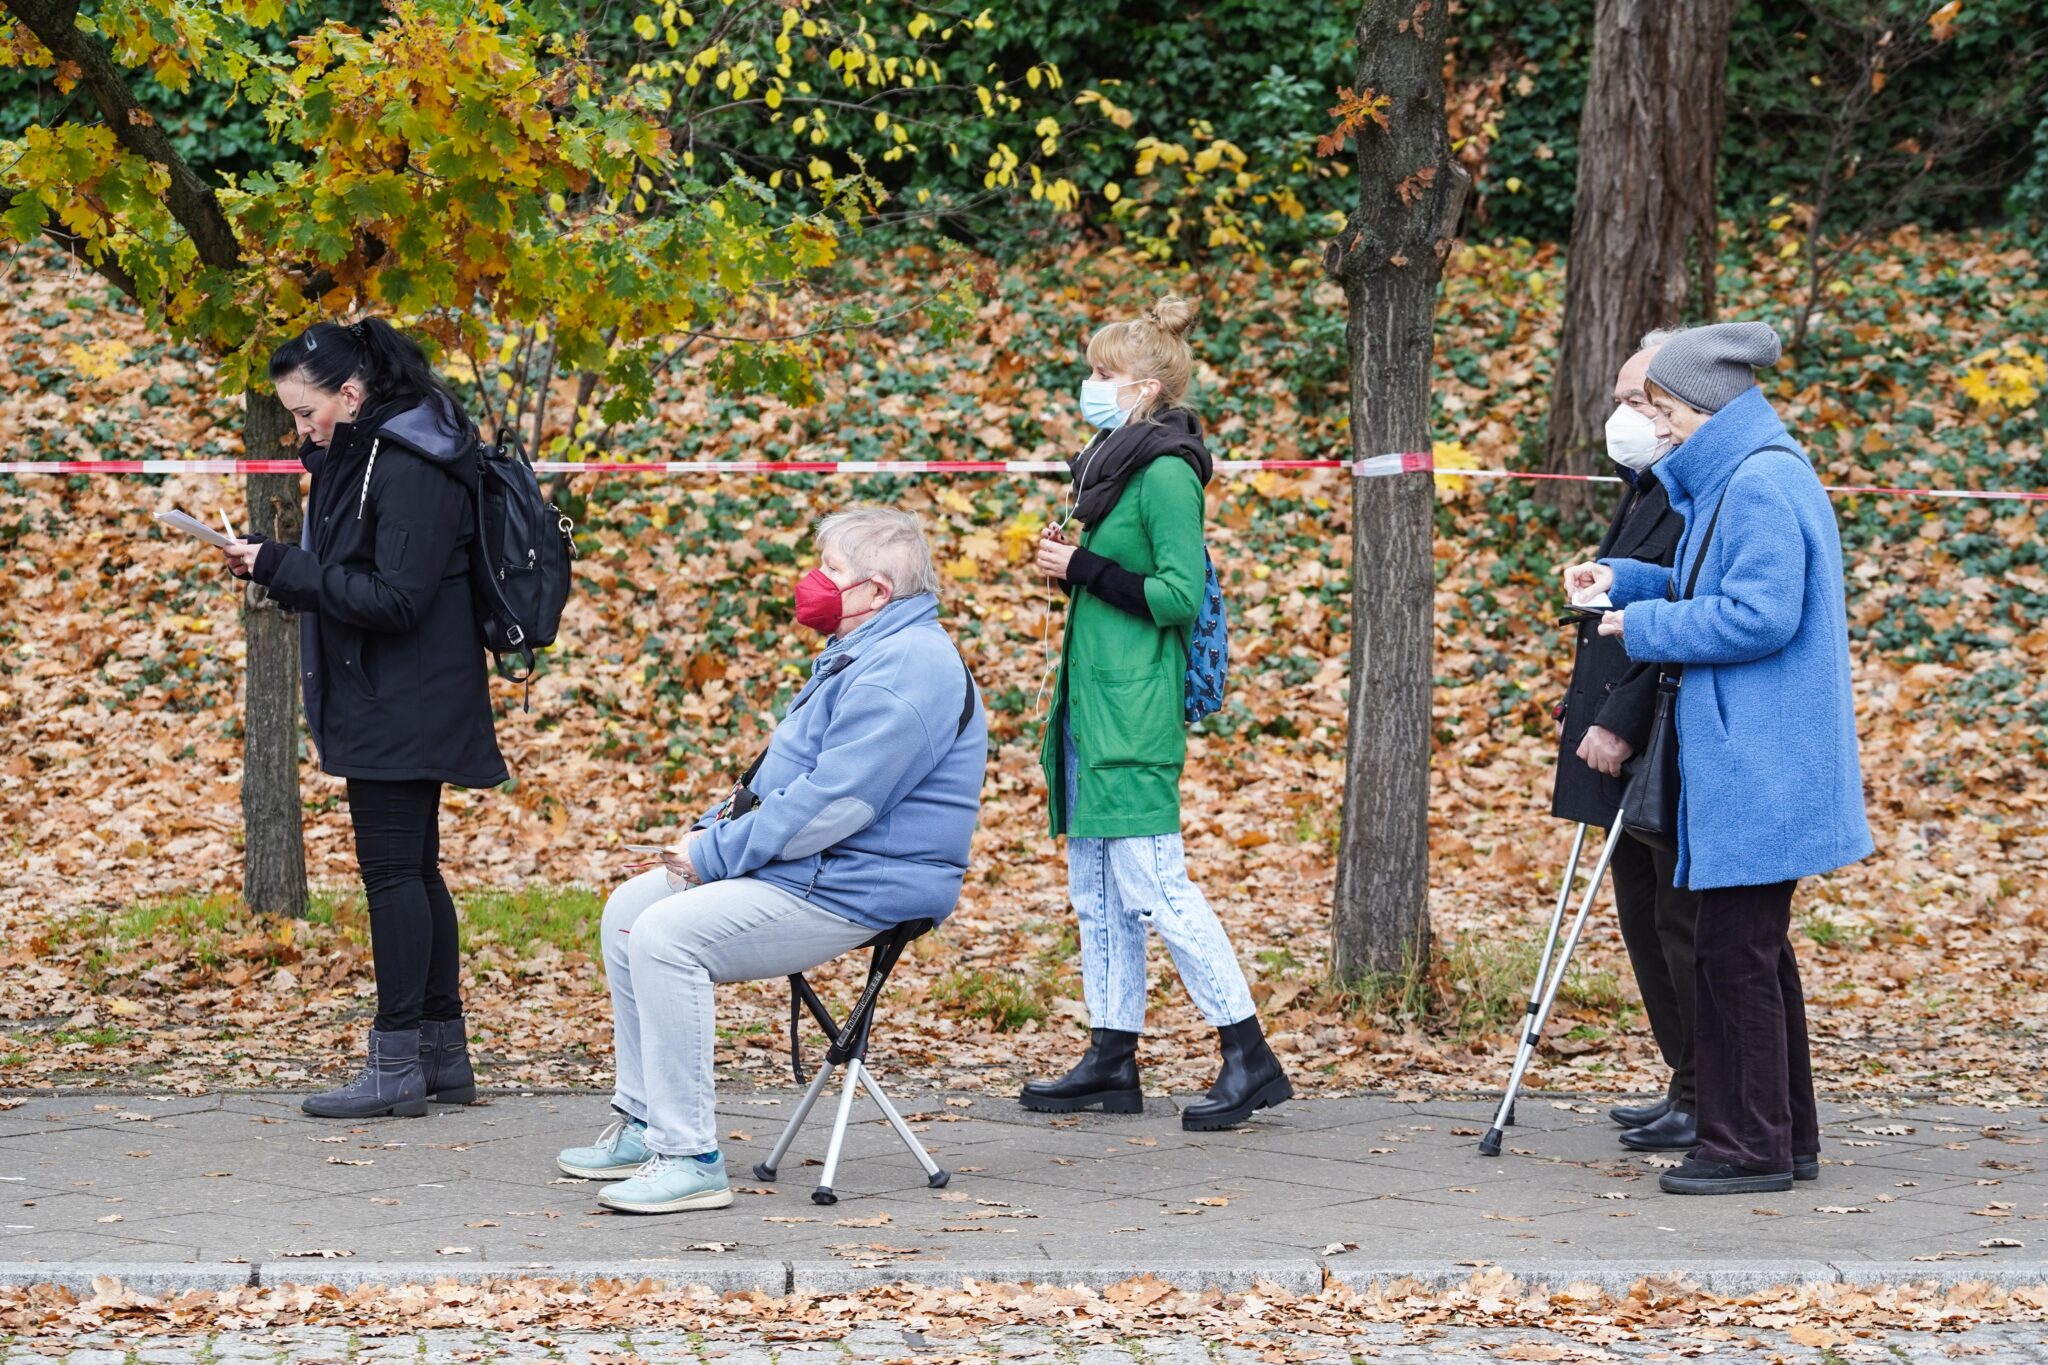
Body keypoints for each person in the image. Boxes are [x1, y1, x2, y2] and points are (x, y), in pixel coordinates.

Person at [557, 507, 986, 1215]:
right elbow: (780, 780)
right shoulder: (871, 648)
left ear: (876, 591)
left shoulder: (906, 668)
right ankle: (643, 1118)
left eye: (831, 571)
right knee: (631, 909)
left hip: (859, 882)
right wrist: (702, 837)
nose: (814, 582)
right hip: (820, 865)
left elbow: (831, 808)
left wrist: (716, 856)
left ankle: (690, 1155)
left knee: (667, 936)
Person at [1564, 321, 1873, 1196]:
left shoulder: (1761, 483)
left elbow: (1759, 615)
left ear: (1706, 407)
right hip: (1753, 758)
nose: (1657, 428)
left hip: (1760, 763)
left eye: (1662, 410)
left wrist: (1646, 624)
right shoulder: (1741, 477)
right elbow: (1714, 585)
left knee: (1733, 956)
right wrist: (1625, 580)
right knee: (1756, 954)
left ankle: (1748, 1147)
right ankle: (1786, 1134)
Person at [1019, 295, 1292, 1132]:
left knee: (1155, 888)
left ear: (1144, 388)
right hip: (1090, 703)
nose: (1089, 385)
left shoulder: (1169, 470)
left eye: (1103, 374)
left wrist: (1084, 569)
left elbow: (1178, 594)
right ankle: (1112, 1055)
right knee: (1097, 893)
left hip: (1135, 707)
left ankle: (1249, 1055)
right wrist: (1072, 567)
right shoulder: (1110, 464)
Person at [223, 318, 507, 1120]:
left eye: (308, 413)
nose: (301, 430)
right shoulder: (377, 444)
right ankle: (441, 1057)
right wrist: (275, 557)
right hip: (396, 689)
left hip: (404, 693)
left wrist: (283, 568)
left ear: (352, 394)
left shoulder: (410, 460)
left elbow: (396, 596)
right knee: (415, 869)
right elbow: (353, 546)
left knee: (395, 874)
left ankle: (396, 1063)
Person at [1551, 331, 1704, 1155]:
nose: (1627, 415)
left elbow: (1687, 618)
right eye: (1622, 399)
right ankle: (1685, 1074)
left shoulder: (1695, 490)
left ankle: (1704, 1083)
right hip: (1615, 713)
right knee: (1642, 910)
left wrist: (1621, 718)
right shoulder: (1644, 481)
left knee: (1675, 914)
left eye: (1642, 401)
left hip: (1649, 727)